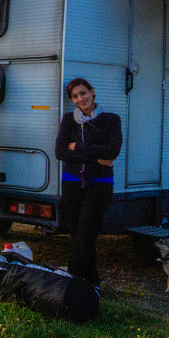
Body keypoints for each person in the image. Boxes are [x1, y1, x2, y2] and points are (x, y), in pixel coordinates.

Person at [54, 77, 122, 289]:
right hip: (72, 183)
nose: (80, 98)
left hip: (99, 184)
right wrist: (95, 154)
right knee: (78, 236)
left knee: (86, 233)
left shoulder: (111, 119)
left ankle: (71, 281)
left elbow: (113, 152)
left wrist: (79, 148)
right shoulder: (68, 120)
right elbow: (60, 152)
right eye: (75, 96)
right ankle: (92, 282)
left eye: (83, 93)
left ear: (92, 92)